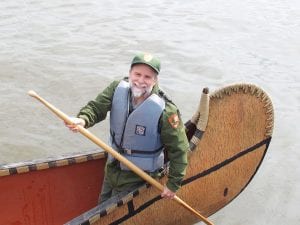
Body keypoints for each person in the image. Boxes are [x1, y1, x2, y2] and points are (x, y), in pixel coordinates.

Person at [66, 52, 189, 203]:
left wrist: (173, 184)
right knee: (101, 207)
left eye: (147, 77)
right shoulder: (116, 89)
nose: (140, 81)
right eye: (137, 74)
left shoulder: (166, 111)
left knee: (116, 215)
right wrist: (82, 119)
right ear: (130, 73)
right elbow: (96, 108)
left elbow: (179, 149)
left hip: (139, 178)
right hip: (112, 167)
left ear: (155, 80)